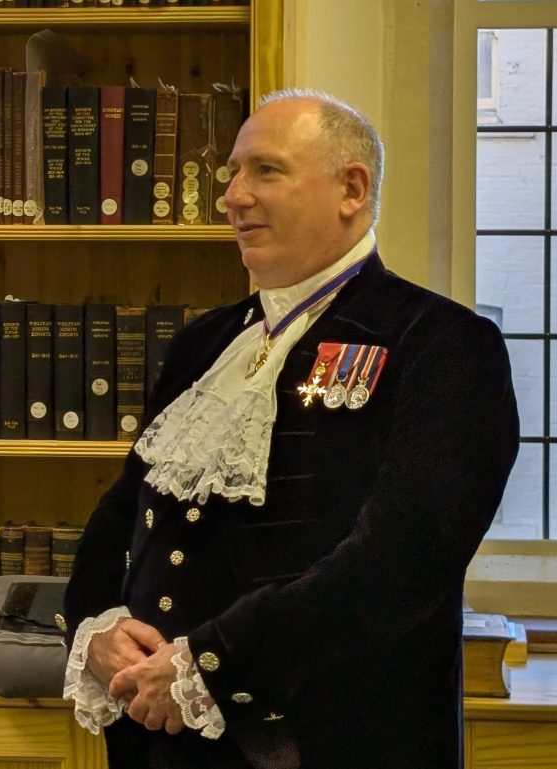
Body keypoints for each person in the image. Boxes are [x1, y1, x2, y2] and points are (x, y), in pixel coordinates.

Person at [61, 89, 520, 769]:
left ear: (351, 189)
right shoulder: (202, 343)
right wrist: (97, 630)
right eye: (232, 174)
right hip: (156, 747)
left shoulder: (443, 344)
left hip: (333, 746)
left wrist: (211, 661)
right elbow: (119, 516)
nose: (234, 196)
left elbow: (401, 562)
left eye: (265, 171)